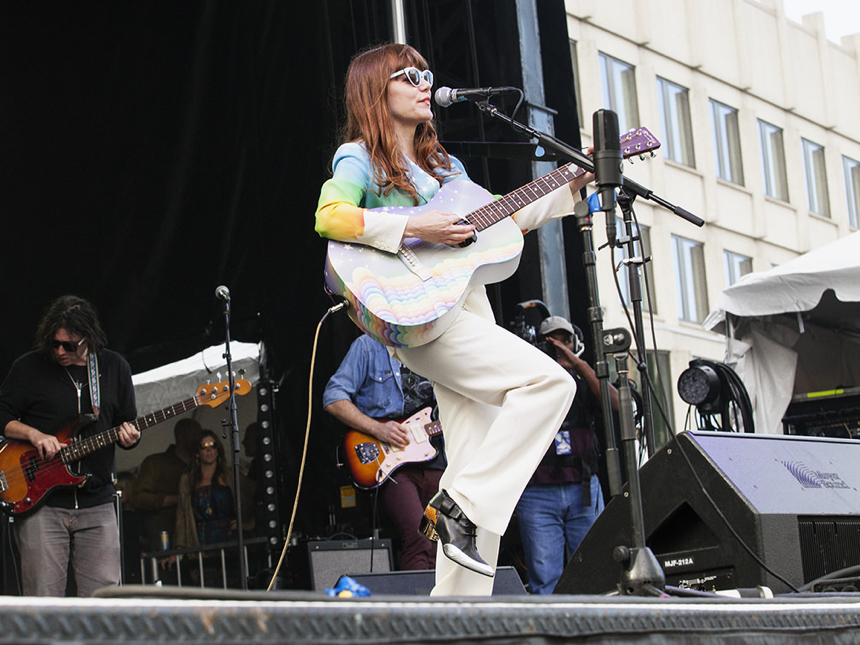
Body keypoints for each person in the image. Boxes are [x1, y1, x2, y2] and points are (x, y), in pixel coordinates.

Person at [314, 43, 592, 595]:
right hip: (420, 318)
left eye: (427, 74)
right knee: (548, 383)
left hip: (467, 308)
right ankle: (462, 506)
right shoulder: (358, 157)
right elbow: (331, 216)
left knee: (474, 456)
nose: (425, 83)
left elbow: (500, 223)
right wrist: (418, 225)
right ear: (376, 90)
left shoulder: (447, 168)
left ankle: (458, 612)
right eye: (410, 75)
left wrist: (571, 185)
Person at [0, 295, 140, 596]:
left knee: (105, 603)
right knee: (43, 603)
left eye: (69, 345)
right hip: (42, 504)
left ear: (88, 339)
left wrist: (132, 438)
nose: (60, 351)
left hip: (97, 502)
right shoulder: (29, 368)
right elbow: (2, 415)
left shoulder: (114, 367)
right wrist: (34, 435)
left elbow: (128, 422)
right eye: (55, 344)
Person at [515, 316, 618, 594]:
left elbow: (617, 405)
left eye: (565, 340)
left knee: (593, 570)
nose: (560, 346)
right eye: (553, 341)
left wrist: (578, 365)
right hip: (537, 491)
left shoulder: (585, 378)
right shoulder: (528, 378)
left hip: (582, 488)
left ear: (575, 343)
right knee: (545, 577)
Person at [324, 334, 444, 570]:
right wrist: (377, 429)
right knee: (418, 534)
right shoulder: (367, 347)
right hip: (392, 465)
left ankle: (436, 604)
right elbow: (333, 398)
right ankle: (415, 606)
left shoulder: (436, 347)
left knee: (436, 540)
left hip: (434, 461)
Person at [133, 417, 202, 550]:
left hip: (195, 536)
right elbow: (139, 498)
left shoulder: (201, 464)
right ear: (181, 436)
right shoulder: (156, 463)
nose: (197, 440)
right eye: (194, 435)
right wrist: (180, 499)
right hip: (164, 538)